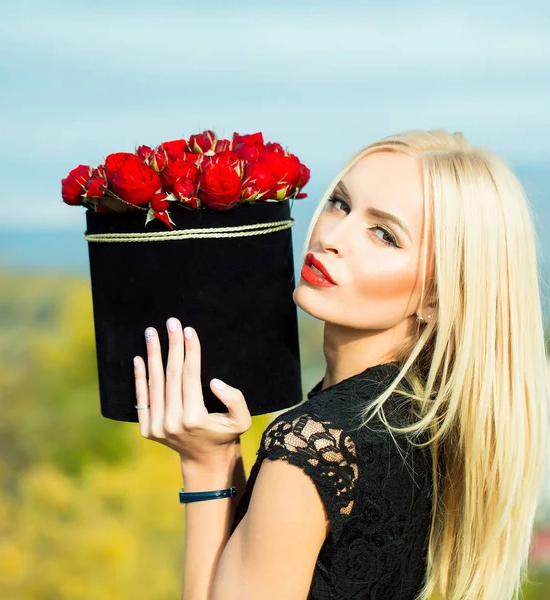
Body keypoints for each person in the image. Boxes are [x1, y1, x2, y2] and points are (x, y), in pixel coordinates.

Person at [132, 129, 550, 600]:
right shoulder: (424, 421)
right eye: (340, 203)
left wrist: (208, 467)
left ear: (437, 296)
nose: (333, 237)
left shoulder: (318, 444)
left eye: (384, 234)